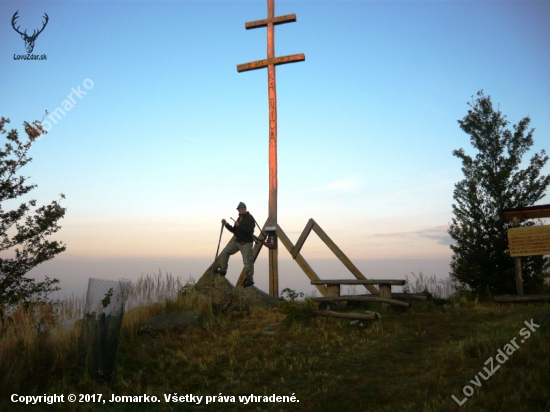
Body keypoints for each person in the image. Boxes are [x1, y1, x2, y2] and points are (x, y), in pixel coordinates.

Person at [217, 202, 255, 288]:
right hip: (237, 241)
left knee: (248, 262)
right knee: (225, 252)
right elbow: (234, 230)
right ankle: (222, 271)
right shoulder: (239, 218)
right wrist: (226, 224)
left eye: (242, 209)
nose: (240, 210)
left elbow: (250, 230)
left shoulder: (249, 218)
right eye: (239, 209)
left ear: (245, 209)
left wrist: (239, 225)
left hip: (246, 243)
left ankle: (249, 279)